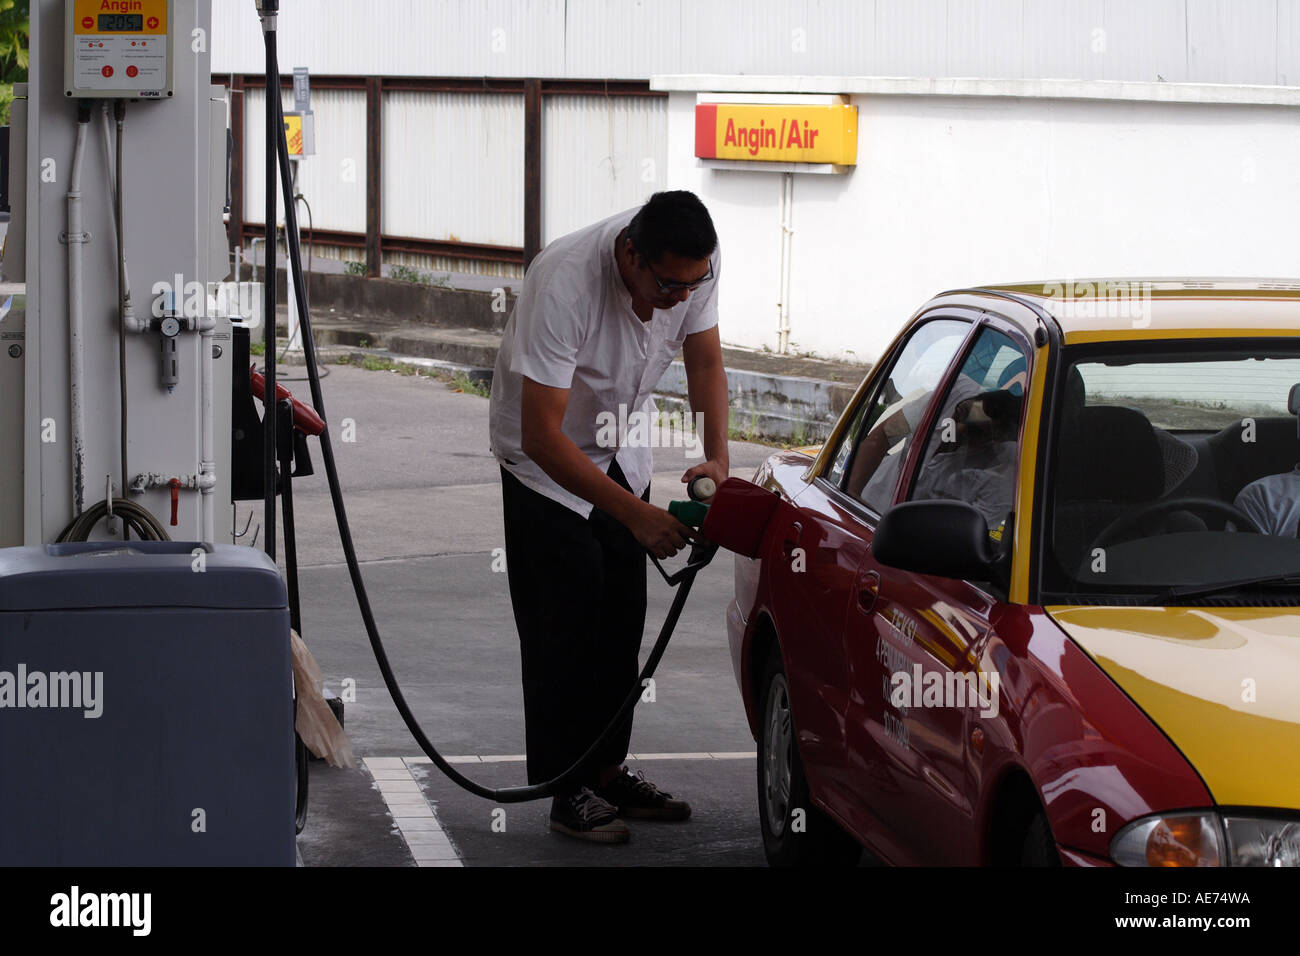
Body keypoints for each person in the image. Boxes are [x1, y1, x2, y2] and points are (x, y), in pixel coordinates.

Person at [488, 191, 729, 843]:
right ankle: (566, 788)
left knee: (621, 612)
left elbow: (704, 358)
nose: (681, 299)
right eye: (668, 285)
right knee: (565, 615)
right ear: (630, 253)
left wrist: (715, 457)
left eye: (692, 285)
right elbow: (541, 434)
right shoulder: (563, 281)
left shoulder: (693, 264)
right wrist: (638, 516)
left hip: (619, 438)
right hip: (544, 457)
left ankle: (606, 770)